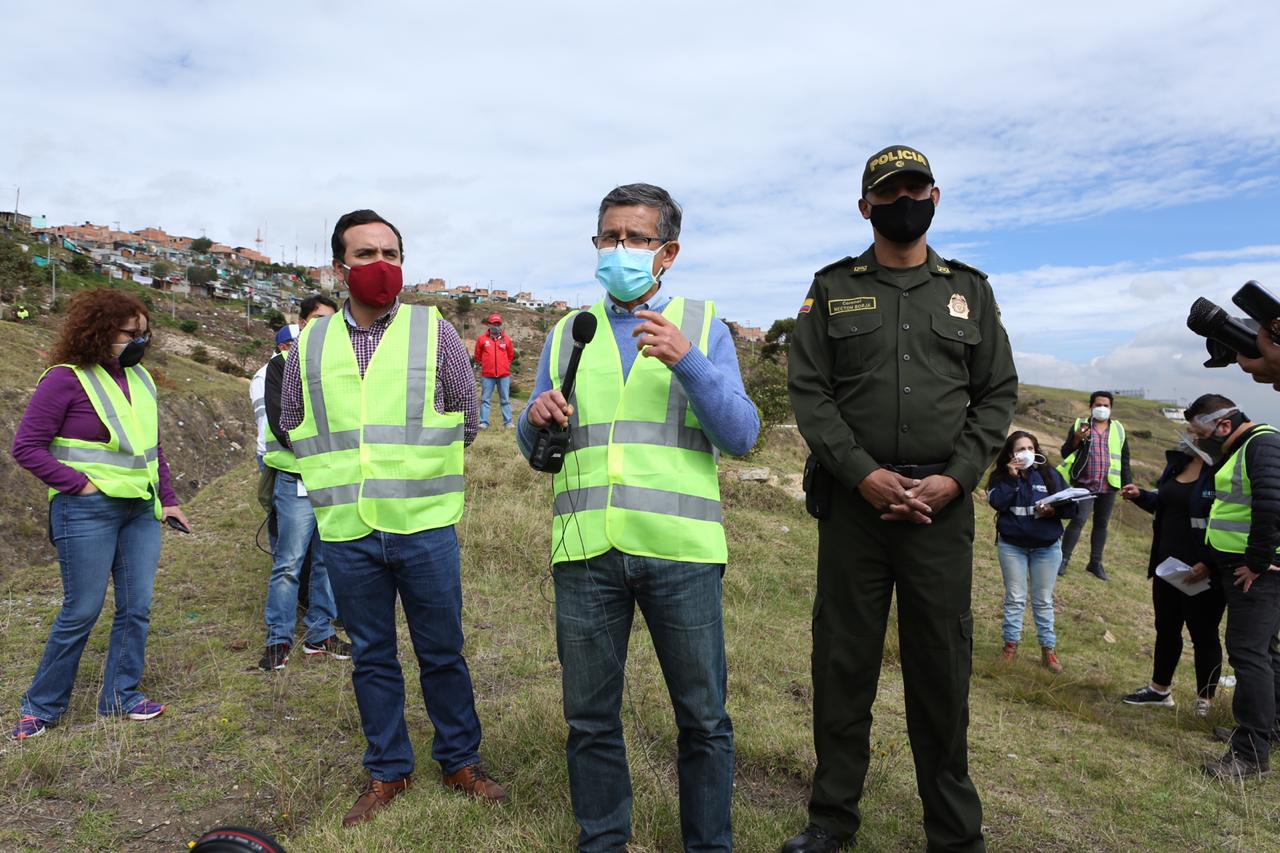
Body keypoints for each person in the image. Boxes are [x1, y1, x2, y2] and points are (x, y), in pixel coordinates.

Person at [784, 145, 1017, 853]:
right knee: (843, 662)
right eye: (888, 192)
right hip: (856, 506)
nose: (903, 200)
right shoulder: (831, 288)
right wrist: (862, 473)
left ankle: (953, 832)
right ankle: (831, 819)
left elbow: (996, 392)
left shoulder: (970, 290)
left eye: (914, 188)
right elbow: (810, 393)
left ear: (936, 197)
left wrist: (956, 477)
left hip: (940, 511)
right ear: (866, 206)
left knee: (941, 668)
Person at [518, 183, 759, 852]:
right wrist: (531, 419)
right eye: (609, 237)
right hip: (586, 552)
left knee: (703, 719)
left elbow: (741, 434)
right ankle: (603, 840)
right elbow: (537, 449)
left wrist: (688, 360)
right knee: (590, 717)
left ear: (668, 251)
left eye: (636, 238)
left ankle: (708, 844)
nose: (619, 250)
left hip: (680, 553)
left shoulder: (704, 326)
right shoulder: (571, 331)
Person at [278, 209, 505, 825]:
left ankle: (460, 761)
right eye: (366, 255)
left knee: (442, 651)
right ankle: (388, 771)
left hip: (424, 524)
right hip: (347, 530)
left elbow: (468, 419)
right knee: (373, 656)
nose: (381, 266)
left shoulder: (434, 332)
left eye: (391, 253)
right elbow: (293, 420)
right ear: (339, 266)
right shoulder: (310, 344)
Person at [9, 288, 190, 739]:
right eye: (131, 333)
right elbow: (26, 448)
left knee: (137, 607)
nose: (139, 342)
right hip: (86, 511)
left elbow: (152, 448)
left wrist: (167, 499)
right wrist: (81, 485)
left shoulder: (143, 381)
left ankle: (120, 697)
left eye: (145, 334)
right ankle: (42, 707)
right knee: (82, 610)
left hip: (139, 512)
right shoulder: (65, 379)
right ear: (101, 331)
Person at [1189, 394, 1280, 780]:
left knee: (1248, 654)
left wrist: (1257, 562)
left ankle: (1250, 754)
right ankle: (1267, 731)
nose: (1198, 440)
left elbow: (1272, 505)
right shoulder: (1246, 447)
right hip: (1243, 568)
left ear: (1223, 424)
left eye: (1200, 432)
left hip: (1257, 574)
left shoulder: (1262, 443)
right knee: (1266, 653)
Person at [258, 297, 348, 671]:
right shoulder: (279, 366)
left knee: (328, 562)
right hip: (297, 478)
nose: (322, 326)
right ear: (302, 322)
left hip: (334, 479)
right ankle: (278, 639)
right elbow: (282, 424)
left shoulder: (342, 366)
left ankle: (320, 634)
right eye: (316, 319)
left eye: (330, 320)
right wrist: (329, 444)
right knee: (289, 562)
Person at [1118, 429, 1224, 715]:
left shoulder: (1222, 470)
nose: (1187, 435)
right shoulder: (1178, 463)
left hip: (1202, 572)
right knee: (1166, 629)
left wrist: (1209, 563)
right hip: (1168, 567)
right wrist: (1141, 496)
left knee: (1203, 634)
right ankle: (1159, 690)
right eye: (1187, 429)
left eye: (1194, 431)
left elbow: (1229, 522)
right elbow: (1165, 505)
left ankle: (1206, 701)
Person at [987, 431, 1076, 672]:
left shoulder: (1049, 474)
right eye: (1020, 449)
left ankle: (1049, 651)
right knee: (1015, 598)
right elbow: (997, 503)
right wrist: (1012, 478)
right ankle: (1010, 647)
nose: (1026, 452)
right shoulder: (1000, 477)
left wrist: (1054, 511)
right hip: (1012, 546)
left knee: (1043, 600)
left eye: (1030, 447)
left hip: (1046, 549)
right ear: (1010, 453)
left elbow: (1072, 507)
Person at [1055, 391, 1131, 581]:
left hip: (1109, 485)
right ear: (1091, 406)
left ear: (1111, 408)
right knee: (1078, 520)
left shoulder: (1119, 429)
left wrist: (1127, 483)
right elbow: (1065, 452)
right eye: (1098, 404)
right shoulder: (1080, 426)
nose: (1102, 408)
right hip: (1084, 484)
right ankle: (1063, 559)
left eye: (1106, 405)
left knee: (1101, 524)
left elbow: (1125, 459)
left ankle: (1095, 563)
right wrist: (1077, 439)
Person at [474, 312, 516, 429]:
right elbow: (477, 356)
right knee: (485, 399)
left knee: (505, 399)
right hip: (487, 375)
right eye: (494, 323)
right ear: (489, 324)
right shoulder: (482, 339)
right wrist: (486, 365)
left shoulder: (506, 340)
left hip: (504, 375)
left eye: (498, 324)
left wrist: (504, 365)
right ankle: (483, 422)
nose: (496, 326)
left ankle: (508, 422)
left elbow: (510, 356)